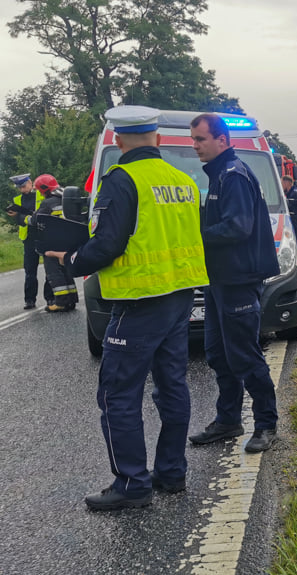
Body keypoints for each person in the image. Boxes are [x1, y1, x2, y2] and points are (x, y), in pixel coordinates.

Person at [46, 106, 209, 510]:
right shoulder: (183, 179)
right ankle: (172, 472)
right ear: (156, 137)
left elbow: (106, 244)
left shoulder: (120, 181)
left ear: (118, 140)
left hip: (139, 301)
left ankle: (132, 483)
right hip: (180, 295)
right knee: (172, 386)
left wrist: (68, 261)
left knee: (117, 393)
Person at [187, 113, 280, 454]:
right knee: (217, 354)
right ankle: (227, 420)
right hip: (218, 281)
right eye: (193, 138)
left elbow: (238, 227)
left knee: (244, 356)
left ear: (222, 141)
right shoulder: (219, 175)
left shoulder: (234, 175)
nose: (194, 145)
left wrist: (196, 237)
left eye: (200, 139)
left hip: (238, 280)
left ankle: (266, 424)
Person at [26, 174, 79, 312]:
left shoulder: (48, 203)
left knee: (54, 272)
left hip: (52, 243)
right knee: (66, 270)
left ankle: (61, 302)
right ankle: (71, 300)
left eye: (39, 190)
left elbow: (35, 220)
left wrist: (23, 218)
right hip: (68, 242)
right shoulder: (67, 199)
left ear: (44, 189)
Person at [7, 173, 51, 309]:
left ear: (31, 183)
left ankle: (50, 298)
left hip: (44, 236)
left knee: (50, 268)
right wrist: (14, 216)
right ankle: (30, 300)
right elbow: (19, 220)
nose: (22, 189)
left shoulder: (41, 195)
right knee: (30, 271)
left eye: (24, 186)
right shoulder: (18, 200)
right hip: (28, 238)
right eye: (20, 187)